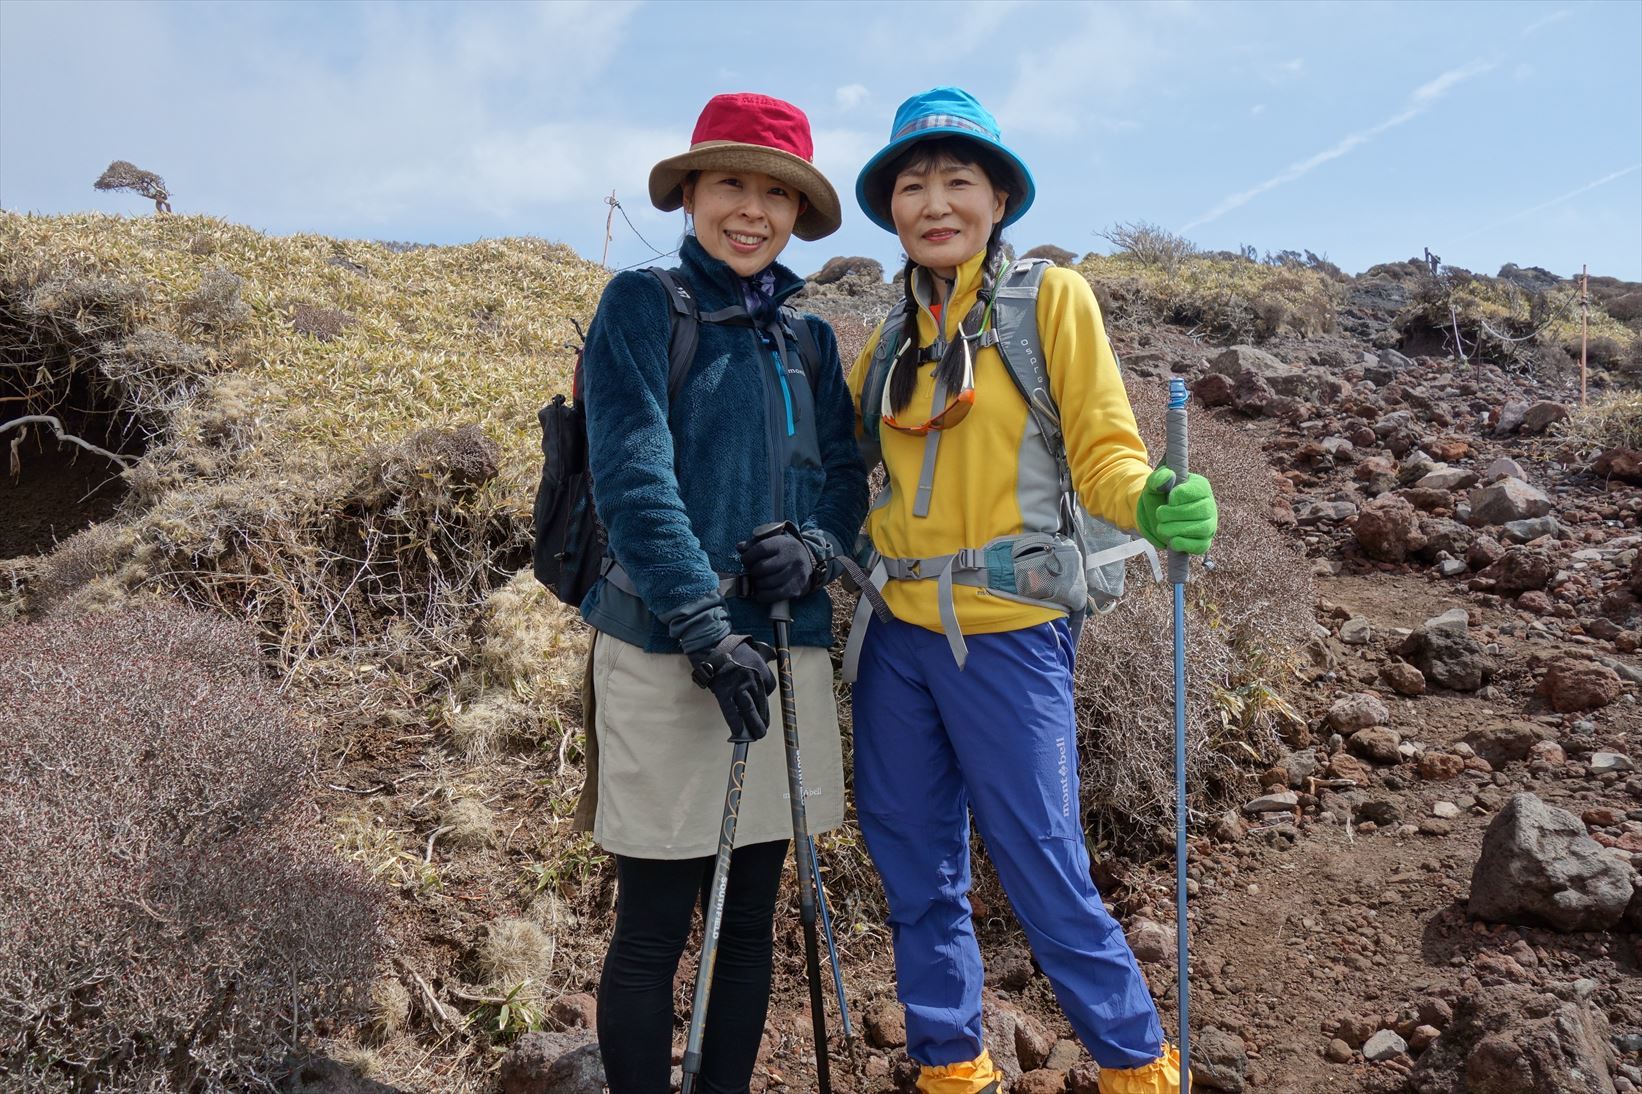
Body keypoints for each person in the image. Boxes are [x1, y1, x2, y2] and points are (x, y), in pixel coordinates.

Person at [843, 87, 1219, 1094]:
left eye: (956, 179)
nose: (934, 201)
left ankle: (1136, 1063)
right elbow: (835, 473)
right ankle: (949, 1063)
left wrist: (1152, 497)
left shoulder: (1052, 299)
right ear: (893, 209)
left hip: (1011, 633)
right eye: (913, 183)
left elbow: (1103, 451)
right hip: (896, 637)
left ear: (997, 196)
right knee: (915, 868)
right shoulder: (889, 338)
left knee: (1044, 864)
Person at [573, 92, 868, 1093]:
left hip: (783, 648)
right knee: (654, 924)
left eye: (775, 192)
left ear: (797, 212)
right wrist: (705, 626)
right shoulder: (643, 306)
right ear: (692, 192)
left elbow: (840, 476)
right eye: (731, 183)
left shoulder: (810, 340)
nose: (752, 210)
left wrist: (816, 547)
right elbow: (631, 473)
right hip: (668, 652)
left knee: (747, 921)